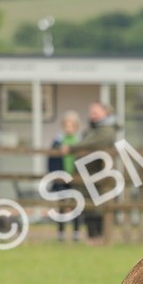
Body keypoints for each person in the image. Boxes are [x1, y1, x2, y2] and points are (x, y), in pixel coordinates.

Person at [63, 102, 118, 245]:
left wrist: (73, 147)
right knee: (88, 207)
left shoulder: (106, 130)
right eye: (91, 112)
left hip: (97, 176)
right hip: (88, 175)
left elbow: (96, 143)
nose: (92, 114)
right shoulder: (95, 129)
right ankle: (92, 238)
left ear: (105, 113)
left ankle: (98, 238)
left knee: (97, 209)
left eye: (95, 112)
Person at [48, 110, 83, 242]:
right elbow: (51, 159)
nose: (68, 128)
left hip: (76, 177)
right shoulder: (58, 141)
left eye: (71, 125)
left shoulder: (80, 141)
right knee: (61, 205)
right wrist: (54, 175)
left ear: (76, 126)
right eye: (66, 125)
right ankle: (61, 233)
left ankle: (76, 232)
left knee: (76, 205)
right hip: (61, 177)